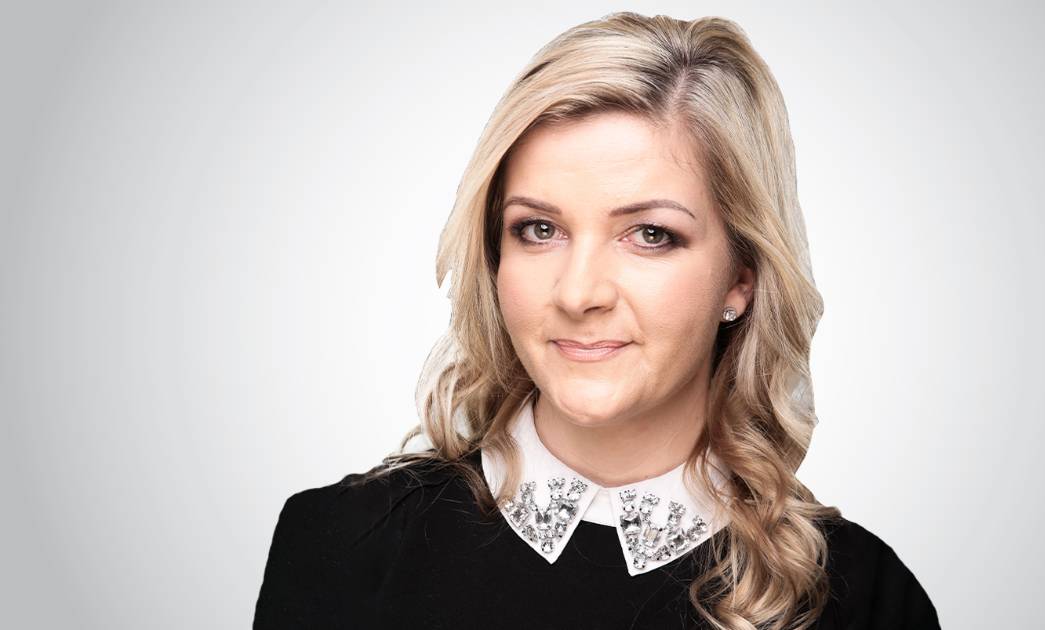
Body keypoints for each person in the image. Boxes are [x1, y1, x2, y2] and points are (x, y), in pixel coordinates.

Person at [253, 11, 940, 629]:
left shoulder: (864, 603)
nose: (579, 293)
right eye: (539, 229)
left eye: (650, 235)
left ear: (741, 277)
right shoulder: (341, 543)